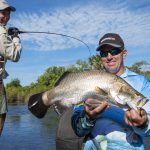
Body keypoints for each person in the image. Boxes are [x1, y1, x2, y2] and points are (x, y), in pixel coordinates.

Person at [71, 33, 150, 150]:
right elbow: (78, 130)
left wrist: (142, 124)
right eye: (104, 53)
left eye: (114, 52)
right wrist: (88, 118)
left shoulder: (142, 82)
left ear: (124, 53)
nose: (109, 57)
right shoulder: (87, 82)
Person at [0, 0, 22, 136]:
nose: (6, 17)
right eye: (3, 13)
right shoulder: (1, 33)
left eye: (8, 14)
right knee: (1, 116)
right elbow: (14, 56)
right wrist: (15, 38)